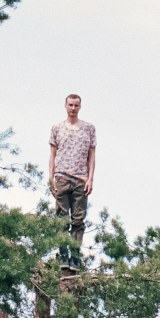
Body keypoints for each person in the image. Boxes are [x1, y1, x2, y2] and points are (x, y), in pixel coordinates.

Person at [48, 92, 96, 249]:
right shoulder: (56, 128)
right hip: (61, 177)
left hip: (80, 179)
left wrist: (90, 179)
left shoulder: (89, 128)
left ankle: (74, 256)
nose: (73, 108)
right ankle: (62, 254)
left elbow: (92, 155)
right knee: (62, 218)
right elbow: (52, 155)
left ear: (80, 107)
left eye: (76, 105)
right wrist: (51, 178)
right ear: (65, 106)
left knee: (78, 219)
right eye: (70, 105)